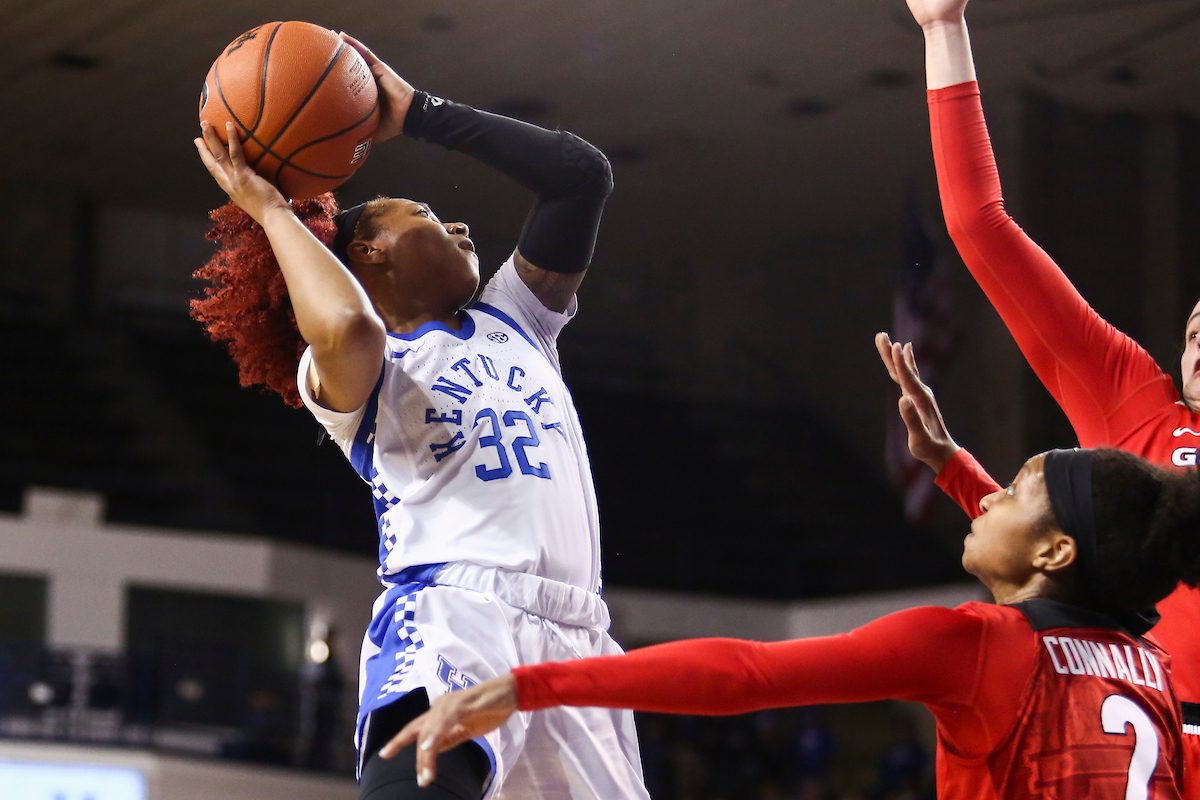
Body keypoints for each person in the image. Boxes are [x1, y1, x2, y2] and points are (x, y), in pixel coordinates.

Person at [386, 338, 1200, 800]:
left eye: (1013, 491)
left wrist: (528, 685)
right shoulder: (1153, 670)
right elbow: (1066, 554)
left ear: (1056, 552)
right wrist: (952, 466)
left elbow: (745, 673)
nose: (989, 500)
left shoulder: (976, 645)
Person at [192, 33, 649, 800]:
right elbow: (349, 326)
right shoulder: (352, 371)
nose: (461, 226)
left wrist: (423, 114)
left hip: (582, 645)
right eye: (427, 213)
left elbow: (580, 178)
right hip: (455, 619)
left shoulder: (518, 316)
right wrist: (272, 211)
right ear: (367, 255)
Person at [904, 0, 1200, 775]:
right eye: (1196, 330)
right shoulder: (1136, 401)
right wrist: (943, 30)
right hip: (1141, 741)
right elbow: (981, 227)